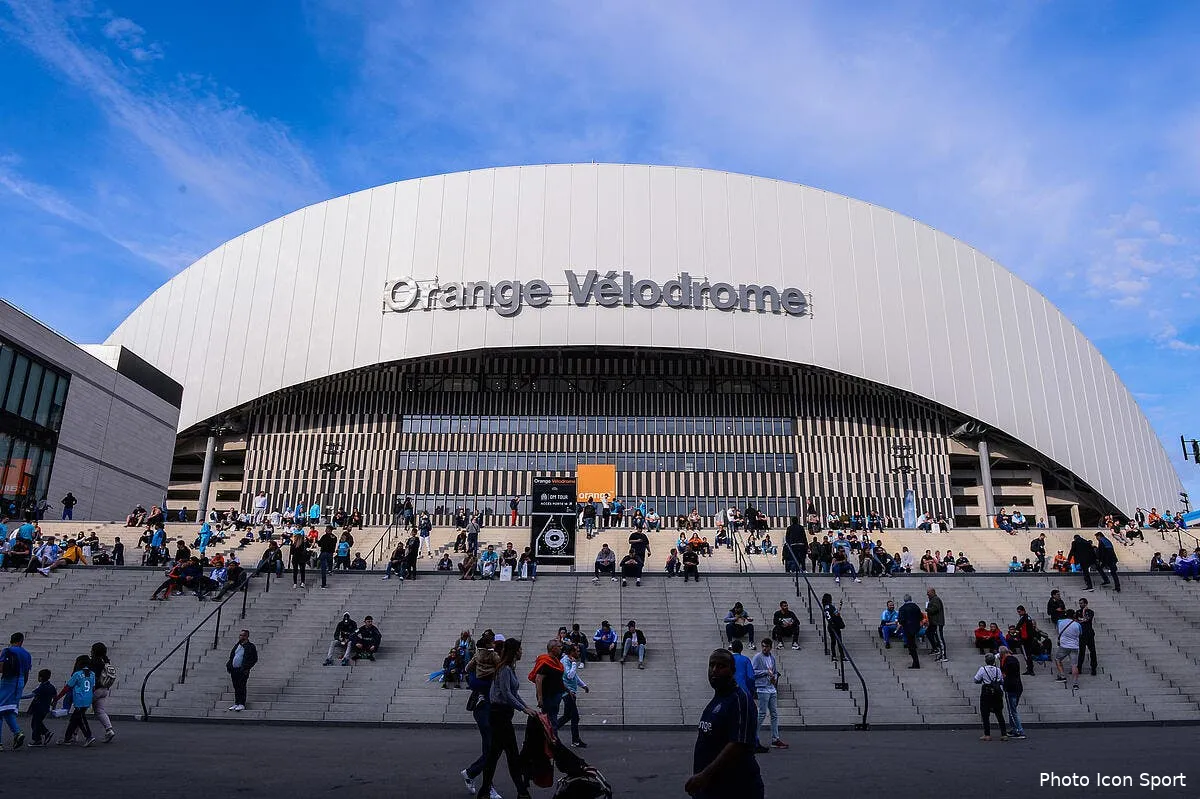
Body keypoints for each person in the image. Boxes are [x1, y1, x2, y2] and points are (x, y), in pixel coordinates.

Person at [685, 649, 763, 799]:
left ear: (732, 671)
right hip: (712, 788)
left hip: (736, 788)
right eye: (712, 665)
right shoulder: (718, 699)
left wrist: (704, 776)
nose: (714, 670)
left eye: (721, 666)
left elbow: (738, 745)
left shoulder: (739, 700)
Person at [476, 638, 537, 799]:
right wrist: (524, 709)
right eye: (520, 649)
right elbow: (506, 693)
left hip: (503, 714)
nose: (522, 652)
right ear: (514, 651)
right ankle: (522, 791)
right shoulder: (504, 669)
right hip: (500, 715)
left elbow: (514, 693)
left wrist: (526, 707)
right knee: (511, 754)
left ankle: (484, 790)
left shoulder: (509, 669)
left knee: (494, 755)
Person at [752, 638, 787, 749]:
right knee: (762, 713)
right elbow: (753, 671)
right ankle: (753, 736)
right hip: (762, 688)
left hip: (771, 687)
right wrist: (765, 672)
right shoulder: (758, 657)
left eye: (766, 646)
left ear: (770, 647)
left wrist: (774, 678)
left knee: (774, 714)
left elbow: (775, 671)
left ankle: (775, 738)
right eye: (763, 646)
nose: (764, 648)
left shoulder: (772, 657)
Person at [55, 655, 96, 746]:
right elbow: (93, 688)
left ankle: (88, 736)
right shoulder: (92, 674)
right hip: (88, 698)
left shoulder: (77, 674)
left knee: (80, 719)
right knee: (75, 719)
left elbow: (67, 687)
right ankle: (67, 738)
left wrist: (57, 697)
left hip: (79, 699)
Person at [1, 632, 33, 749]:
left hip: (8, 681)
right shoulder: (26, 654)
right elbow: (26, 673)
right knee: (8, 709)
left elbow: (1, 668)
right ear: (21, 641)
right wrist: (21, 686)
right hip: (19, 681)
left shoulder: (7, 651)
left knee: (0, 709)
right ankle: (17, 732)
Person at [557, 644, 588, 748]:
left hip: (571, 693)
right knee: (575, 717)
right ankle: (575, 740)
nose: (579, 653)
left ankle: (550, 729)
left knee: (567, 716)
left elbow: (575, 676)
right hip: (567, 693)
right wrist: (574, 664)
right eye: (577, 651)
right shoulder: (565, 661)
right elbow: (569, 676)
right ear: (571, 652)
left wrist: (583, 685)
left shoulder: (568, 661)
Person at [973, 652, 1007, 741]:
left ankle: (987, 734)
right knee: (999, 713)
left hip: (986, 691)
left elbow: (976, 679)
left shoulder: (982, 669)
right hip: (997, 692)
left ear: (986, 661)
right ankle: (1004, 734)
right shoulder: (998, 670)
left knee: (985, 713)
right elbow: (1001, 680)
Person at [87, 642, 116, 742]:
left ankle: (74, 733)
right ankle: (109, 730)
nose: (90, 651)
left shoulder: (94, 662)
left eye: (92, 649)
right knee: (100, 711)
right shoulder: (106, 661)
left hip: (96, 689)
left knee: (80, 711)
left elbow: (92, 677)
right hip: (104, 689)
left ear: (94, 651)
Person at [997, 646, 1026, 738]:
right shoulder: (1015, 660)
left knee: (1012, 711)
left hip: (1010, 687)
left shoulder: (1006, 662)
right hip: (1018, 686)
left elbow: (1004, 674)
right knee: (1013, 709)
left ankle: (1019, 730)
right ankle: (1014, 729)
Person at [226, 629, 257, 711]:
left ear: (247, 636)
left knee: (242, 686)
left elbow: (254, 659)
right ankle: (236, 703)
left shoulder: (250, 646)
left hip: (243, 670)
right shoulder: (237, 645)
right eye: (240, 635)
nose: (241, 637)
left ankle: (242, 703)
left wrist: (247, 667)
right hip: (234, 670)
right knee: (236, 686)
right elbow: (232, 656)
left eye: (243, 635)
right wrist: (229, 665)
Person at [25, 668, 55, 746]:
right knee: (37, 722)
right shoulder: (51, 686)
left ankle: (38, 739)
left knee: (35, 724)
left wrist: (19, 697)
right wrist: (53, 706)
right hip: (45, 708)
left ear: (41, 678)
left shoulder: (41, 687)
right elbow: (55, 697)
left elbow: (31, 695)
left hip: (38, 708)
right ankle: (46, 733)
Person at [1054, 610, 1082, 689]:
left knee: (1057, 659)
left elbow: (1058, 631)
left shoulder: (1060, 622)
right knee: (1074, 665)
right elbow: (1080, 634)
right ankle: (1075, 684)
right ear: (1073, 615)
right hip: (1074, 647)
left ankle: (1062, 676)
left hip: (1064, 646)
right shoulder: (1077, 624)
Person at [898, 594, 923, 669]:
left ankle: (916, 663)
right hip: (916, 628)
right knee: (912, 644)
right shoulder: (916, 607)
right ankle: (916, 663)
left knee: (911, 646)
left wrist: (903, 624)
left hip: (908, 629)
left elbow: (901, 620)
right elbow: (921, 617)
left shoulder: (903, 608)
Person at [1076, 598, 1098, 677]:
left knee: (1092, 651)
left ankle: (1093, 667)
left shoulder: (1090, 612)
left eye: (1081, 603)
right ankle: (1079, 667)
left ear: (1085, 604)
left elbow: (1087, 619)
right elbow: (1077, 620)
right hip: (1082, 634)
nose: (1080, 605)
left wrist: (1084, 612)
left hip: (1089, 634)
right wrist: (1082, 620)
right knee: (1081, 652)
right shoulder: (1077, 612)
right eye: (1079, 603)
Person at [926, 588, 946, 662]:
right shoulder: (933, 599)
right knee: (928, 633)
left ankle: (943, 656)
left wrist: (927, 609)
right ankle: (935, 648)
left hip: (937, 622)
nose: (927, 594)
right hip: (933, 622)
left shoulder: (936, 599)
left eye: (928, 592)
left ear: (933, 592)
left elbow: (935, 609)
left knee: (940, 638)